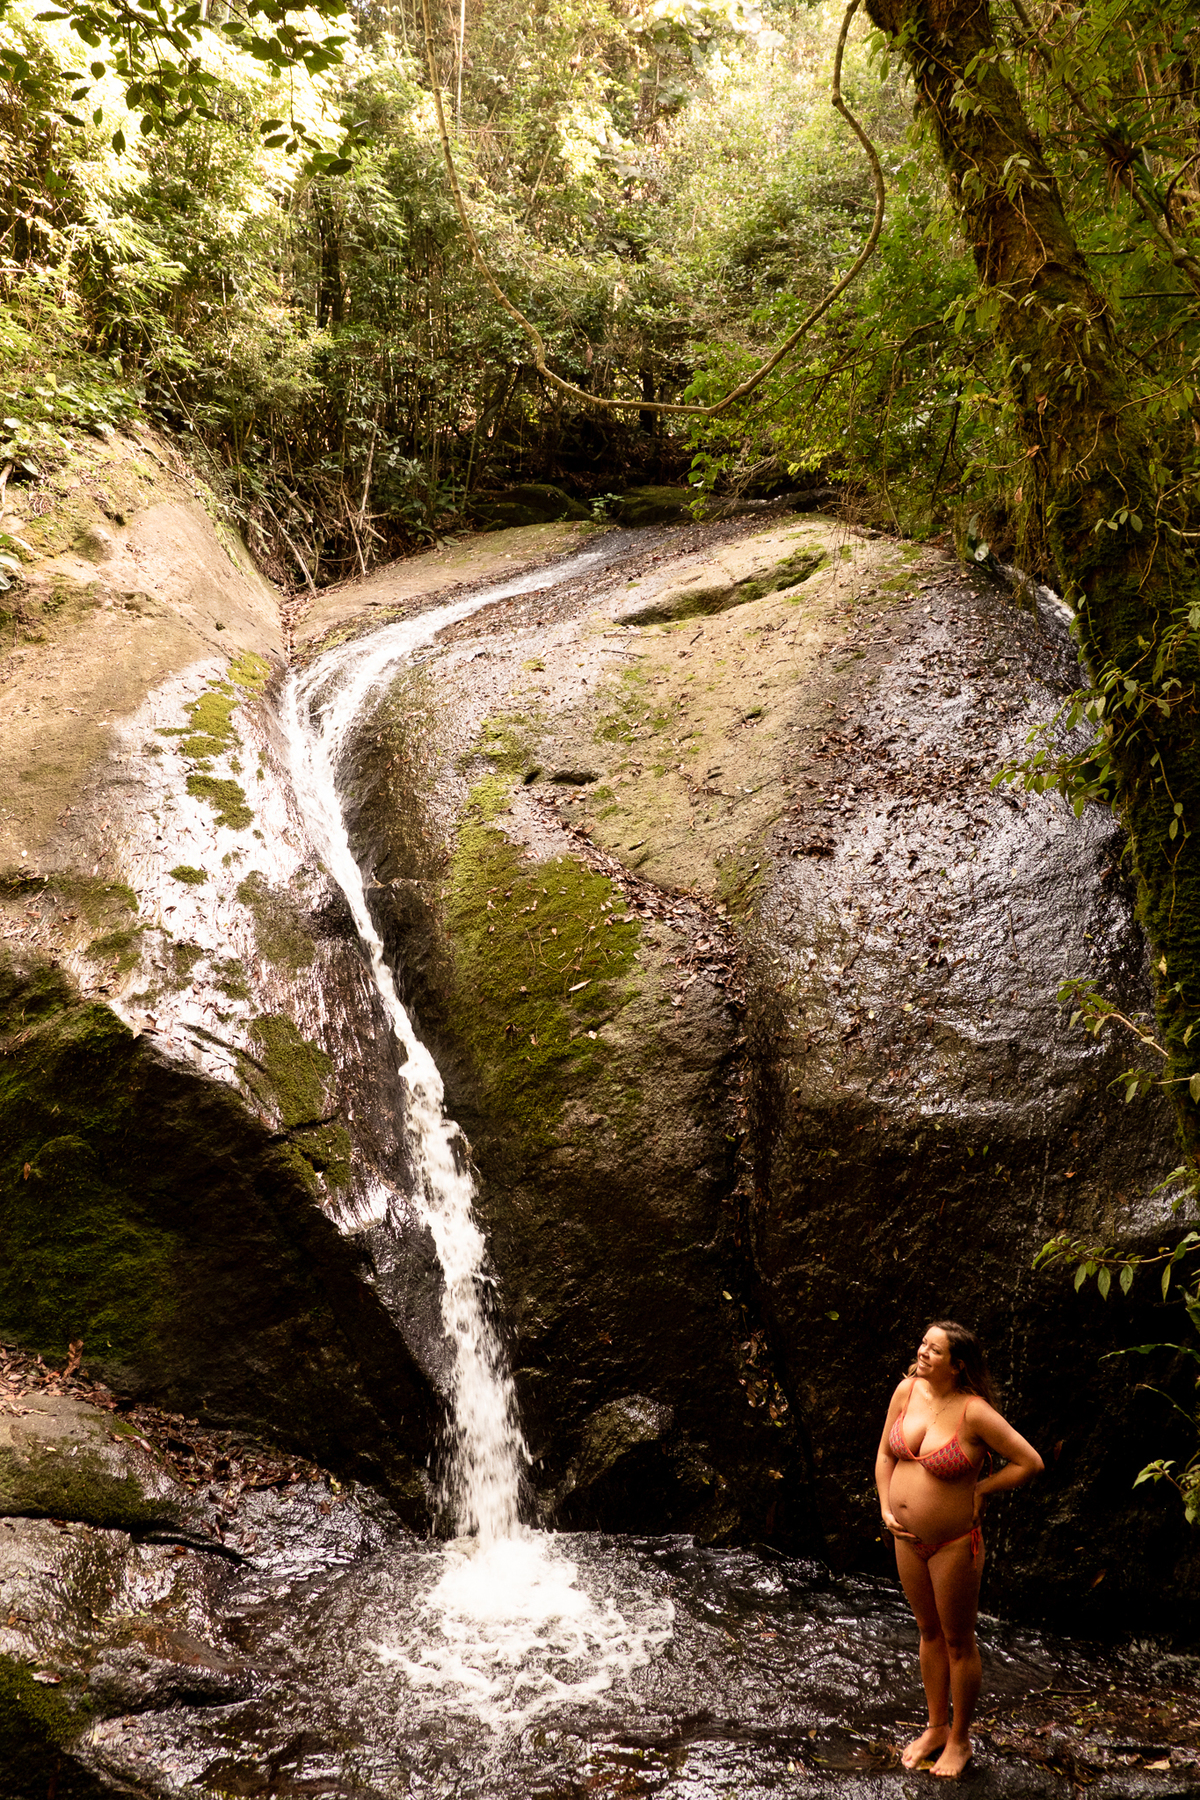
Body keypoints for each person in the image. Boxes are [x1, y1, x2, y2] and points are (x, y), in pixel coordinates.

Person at [875, 1319, 1043, 1779]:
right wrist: (886, 1507)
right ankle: (935, 1726)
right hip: (907, 1539)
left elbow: (1030, 1462)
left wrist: (983, 1489)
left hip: (953, 1544)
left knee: (957, 1641)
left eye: (935, 1350)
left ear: (957, 1364)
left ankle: (961, 1740)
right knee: (928, 1633)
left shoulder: (974, 1412)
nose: (923, 1353)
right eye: (923, 1345)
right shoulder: (905, 1391)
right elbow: (886, 1454)